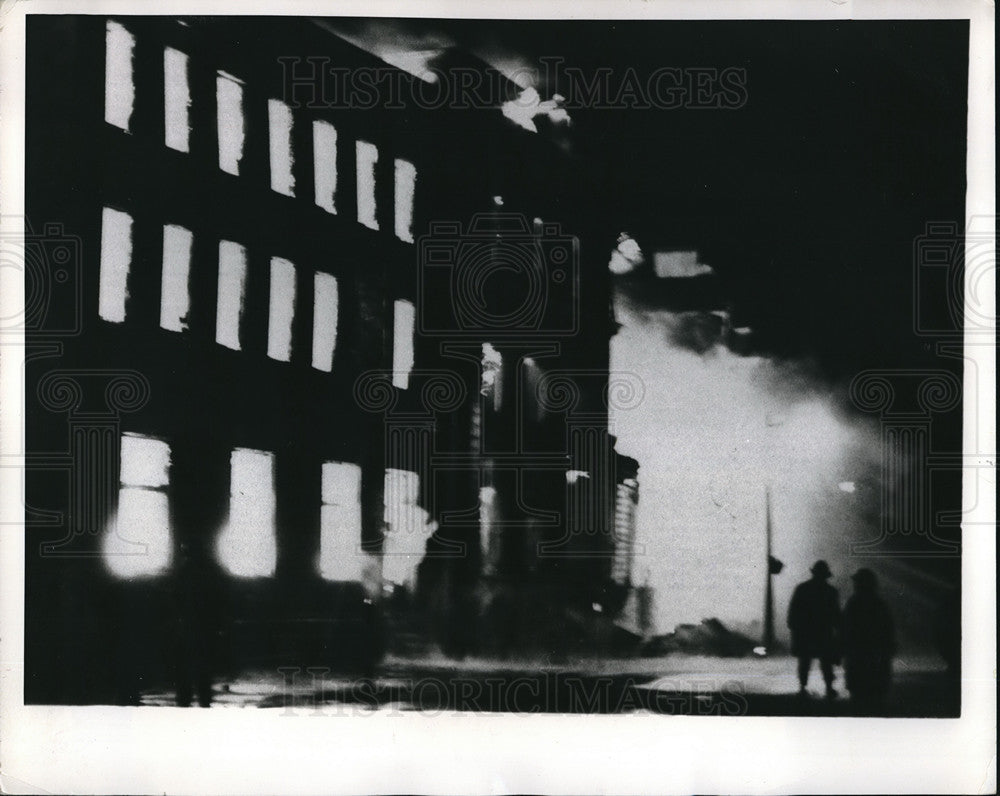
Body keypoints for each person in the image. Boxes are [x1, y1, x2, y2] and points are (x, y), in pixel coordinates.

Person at [842, 568, 895, 715]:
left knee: (858, 694)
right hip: (875, 653)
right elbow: (887, 629)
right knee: (876, 693)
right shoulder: (879, 604)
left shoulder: (853, 603)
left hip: (857, 653)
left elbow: (845, 628)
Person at [787, 560, 841, 698]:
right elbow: (836, 615)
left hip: (805, 633)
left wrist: (794, 628)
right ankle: (829, 688)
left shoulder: (802, 589)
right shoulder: (831, 592)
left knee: (805, 661)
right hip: (824, 632)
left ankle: (803, 688)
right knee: (826, 662)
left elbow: (793, 611)